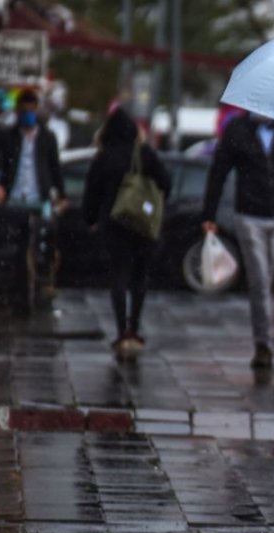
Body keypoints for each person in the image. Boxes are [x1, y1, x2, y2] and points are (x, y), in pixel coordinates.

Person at [201, 113, 274, 369]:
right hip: (250, 215)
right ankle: (262, 344)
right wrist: (209, 213)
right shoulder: (237, 130)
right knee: (259, 280)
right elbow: (219, 169)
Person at [82, 108, 171, 355]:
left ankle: (121, 331)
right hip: (142, 225)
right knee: (140, 277)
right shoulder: (144, 154)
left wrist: (90, 218)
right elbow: (166, 183)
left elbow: (92, 193)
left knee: (118, 276)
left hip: (114, 224)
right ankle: (134, 327)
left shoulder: (103, 157)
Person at [0, 90, 66, 209]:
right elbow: (0, 162)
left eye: (31, 110)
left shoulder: (47, 137)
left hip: (39, 197)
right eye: (24, 110)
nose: (27, 113)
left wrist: (61, 194)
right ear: (17, 111)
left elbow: (55, 166)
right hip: (14, 196)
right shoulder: (8, 136)